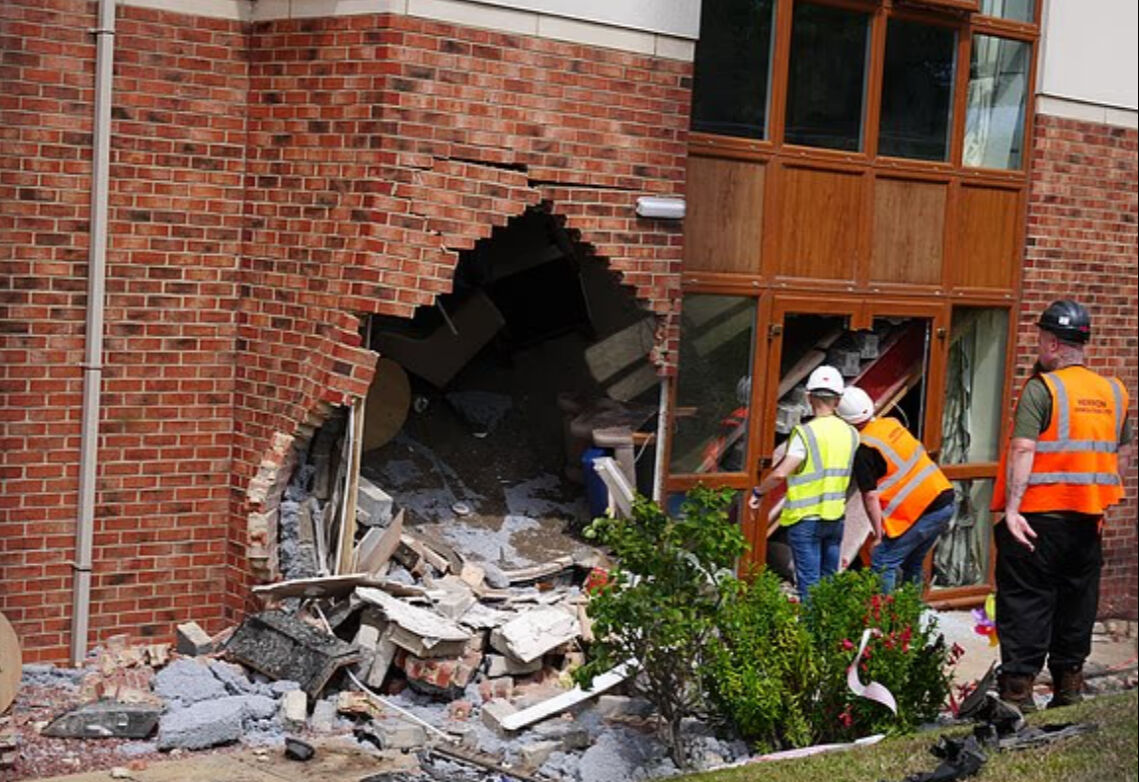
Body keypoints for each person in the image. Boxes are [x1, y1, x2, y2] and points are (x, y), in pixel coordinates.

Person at [991, 299, 1133, 712]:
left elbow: (1023, 448)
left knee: (1026, 603)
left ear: (1052, 343)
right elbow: (1121, 453)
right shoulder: (1114, 391)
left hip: (1037, 519)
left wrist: (1013, 511)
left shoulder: (1043, 387)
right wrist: (1104, 499)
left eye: (1039, 338)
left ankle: (1018, 694)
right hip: (1087, 520)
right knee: (1077, 604)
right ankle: (1068, 689)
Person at [749, 365, 857, 603]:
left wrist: (758, 492)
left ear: (809, 398)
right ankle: (828, 634)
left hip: (805, 520)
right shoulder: (851, 433)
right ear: (838, 400)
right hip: (835, 518)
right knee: (829, 582)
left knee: (809, 585)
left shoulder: (805, 434)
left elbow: (780, 474)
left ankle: (809, 638)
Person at [837, 386, 955, 593]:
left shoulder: (864, 449)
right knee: (913, 563)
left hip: (922, 511)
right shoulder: (891, 424)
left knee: (883, 561)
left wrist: (879, 534)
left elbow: (870, 496)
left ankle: (884, 621)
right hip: (943, 499)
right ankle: (909, 619)